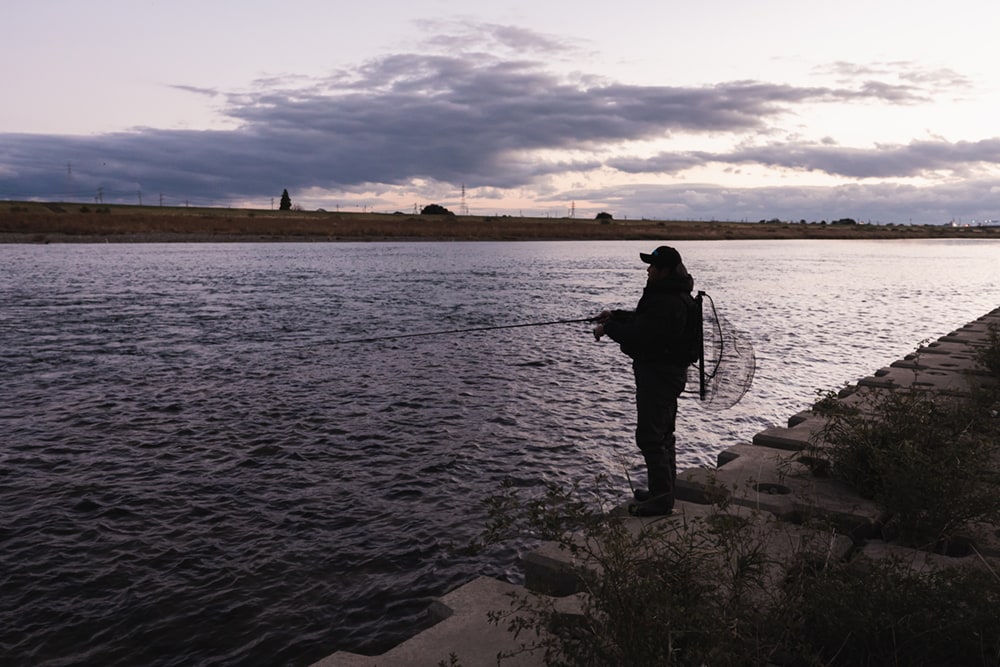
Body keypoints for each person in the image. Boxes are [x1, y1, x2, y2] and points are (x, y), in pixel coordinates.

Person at [593, 246, 696, 516]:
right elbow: (646, 323)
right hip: (665, 374)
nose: (647, 270)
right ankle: (663, 491)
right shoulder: (673, 295)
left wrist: (608, 329)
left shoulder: (668, 301)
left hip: (659, 376)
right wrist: (615, 315)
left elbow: (641, 335)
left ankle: (661, 501)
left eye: (652, 266)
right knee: (663, 434)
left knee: (651, 436)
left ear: (665, 271)